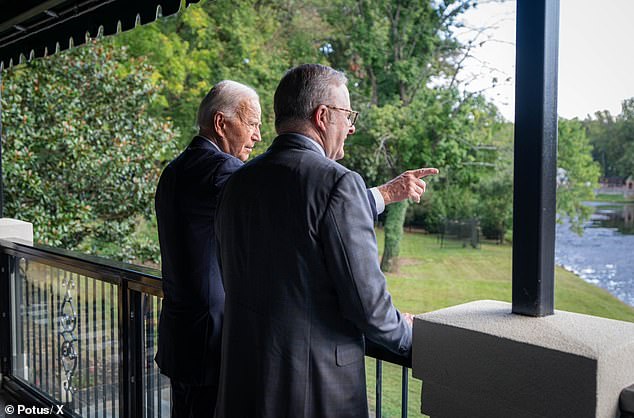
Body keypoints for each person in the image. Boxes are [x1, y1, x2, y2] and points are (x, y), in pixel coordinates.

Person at [155, 79, 433, 417]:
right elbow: (302, 202)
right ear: (220, 123)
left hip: (185, 338)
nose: (257, 135)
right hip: (222, 350)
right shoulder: (227, 175)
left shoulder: (174, 170)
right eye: (251, 124)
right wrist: (383, 194)